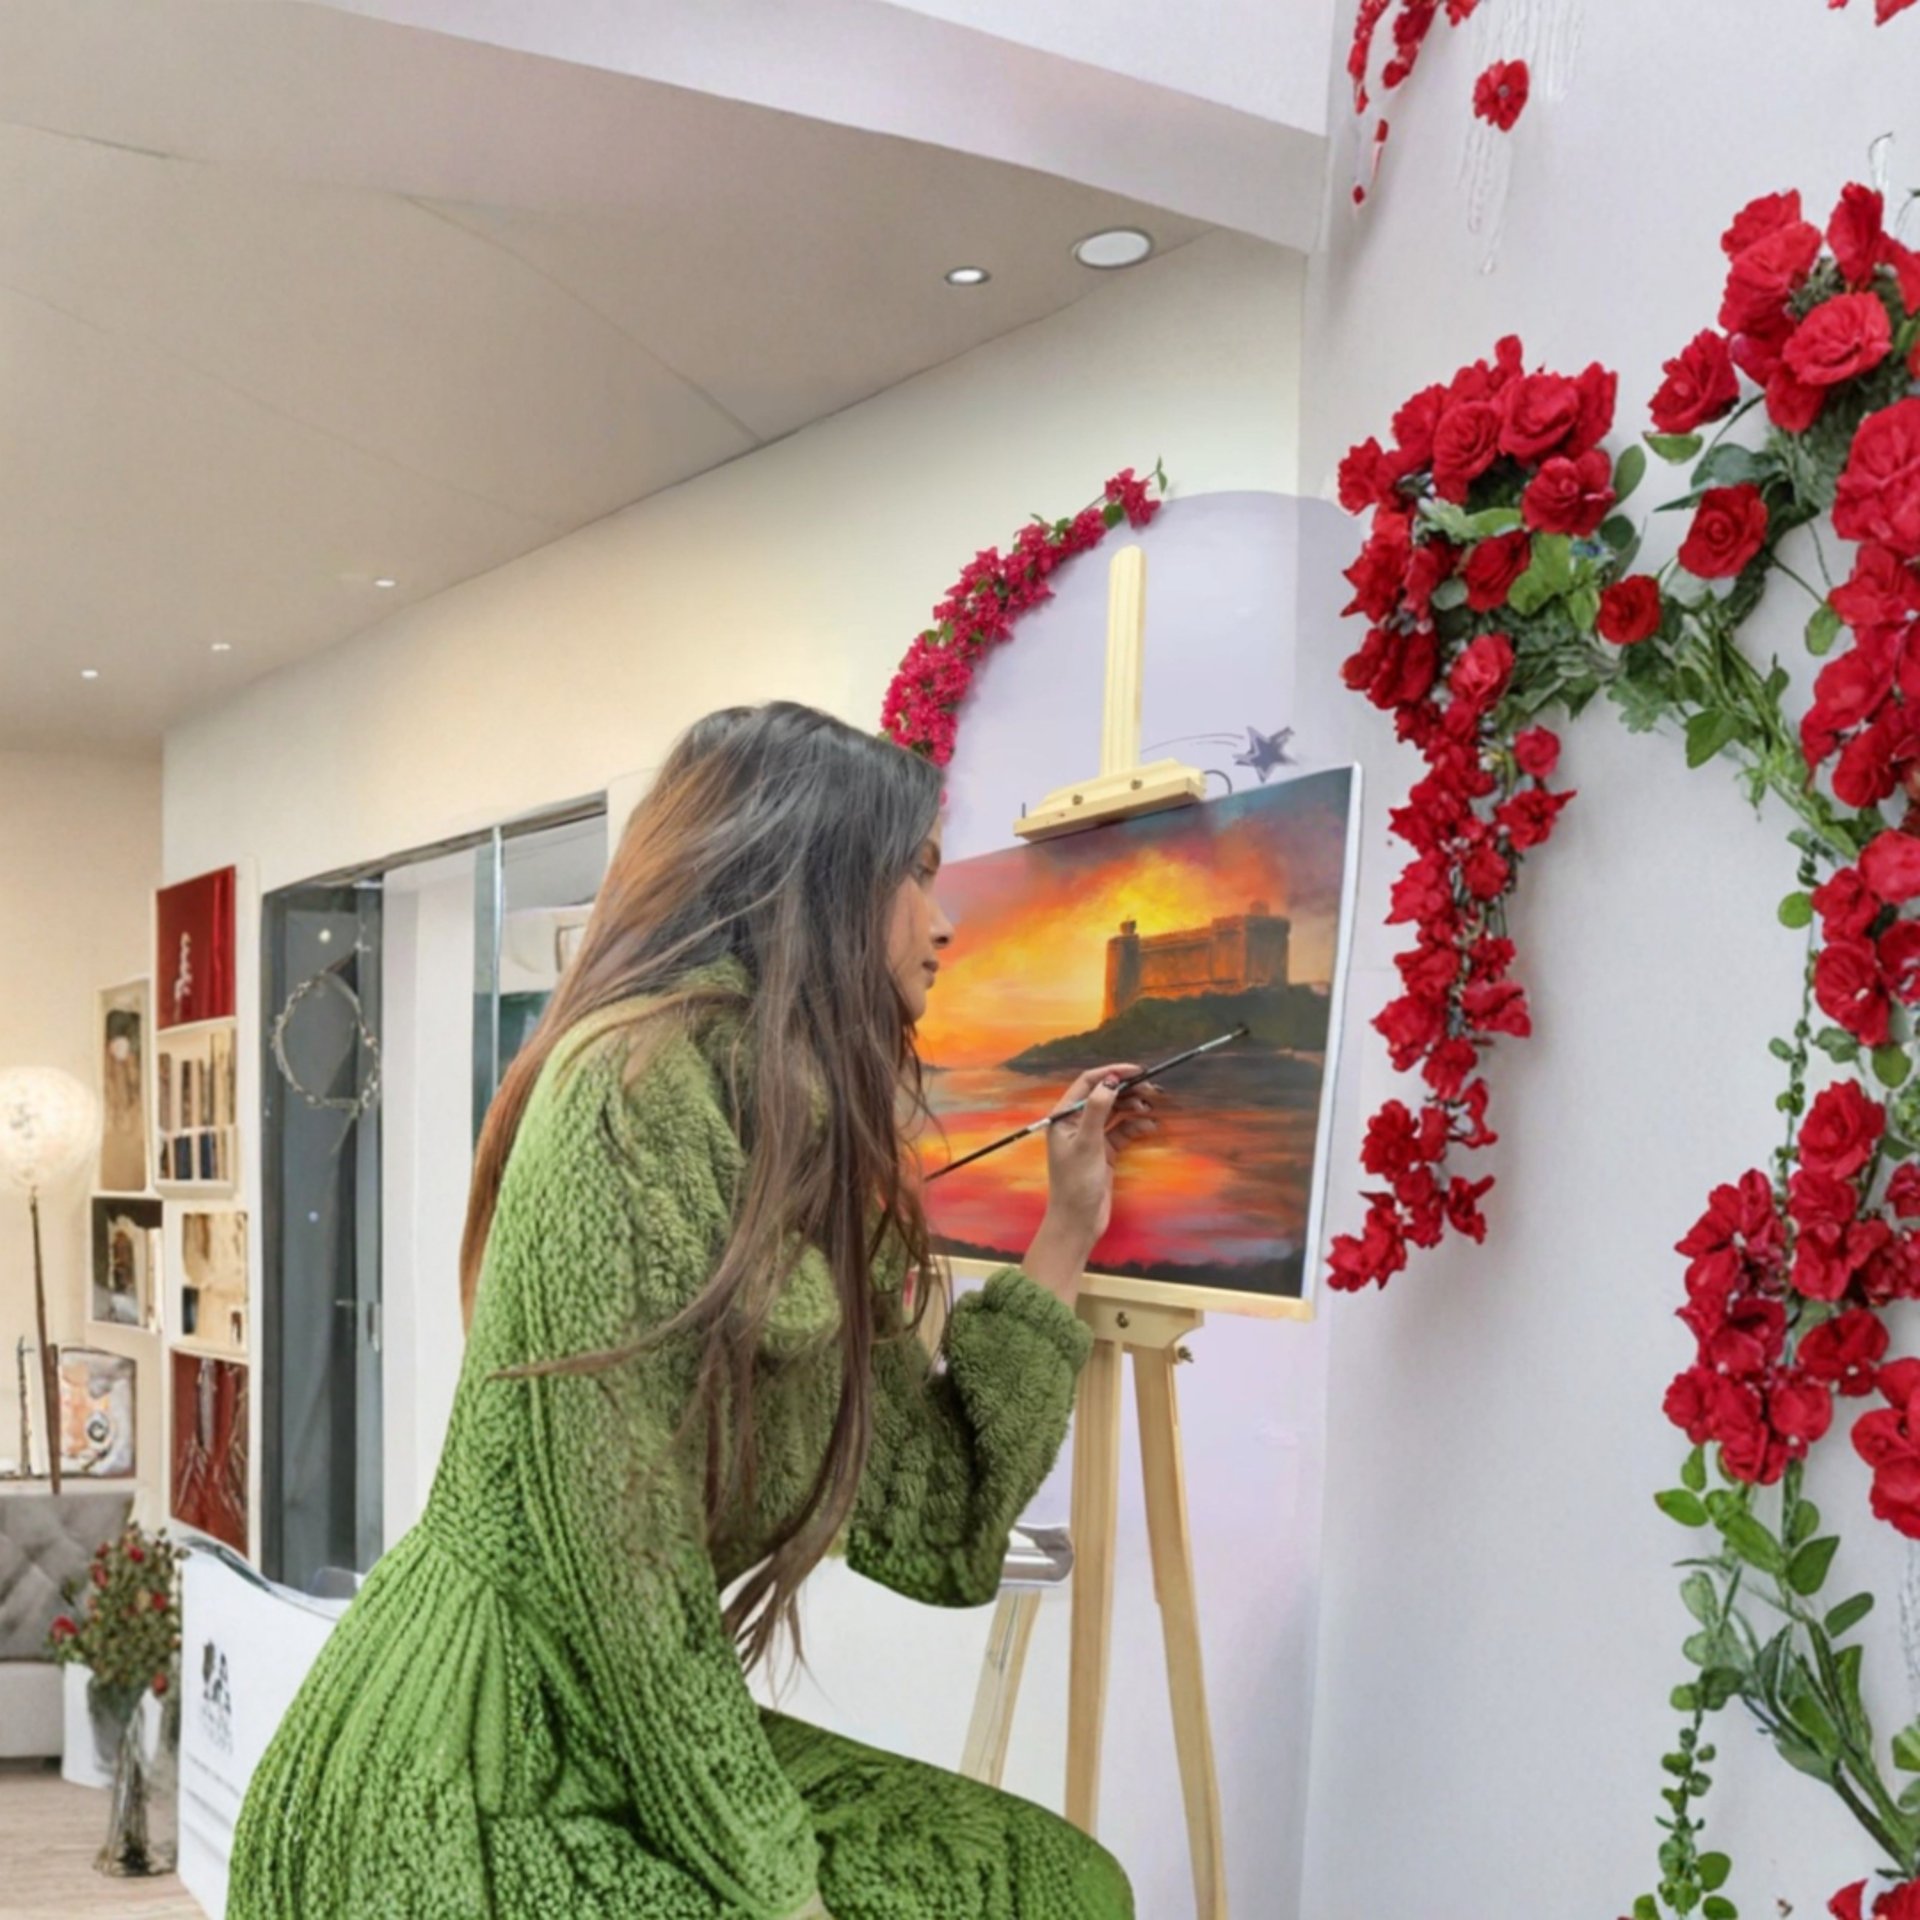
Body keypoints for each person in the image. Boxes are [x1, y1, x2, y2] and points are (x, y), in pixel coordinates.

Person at [228, 703, 1151, 1918]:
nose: (946, 920)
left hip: (615, 1735)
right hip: (465, 1759)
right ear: (814, 877)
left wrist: (1069, 1228)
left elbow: (939, 1519)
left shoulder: (800, 1135)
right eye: (915, 874)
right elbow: (628, 1565)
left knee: (1057, 1883)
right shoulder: (630, 1083)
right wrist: (774, 1883)